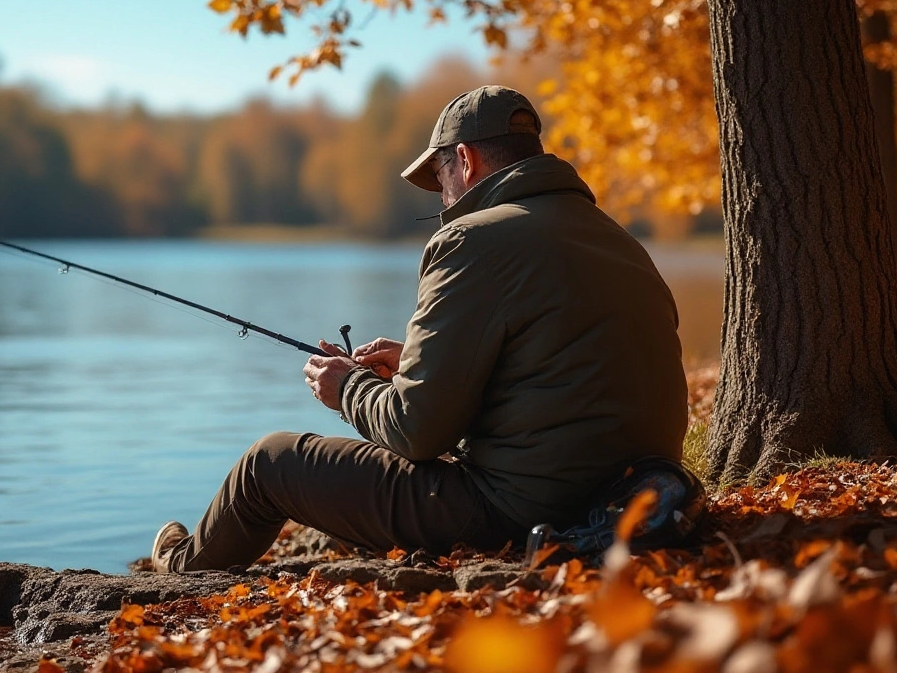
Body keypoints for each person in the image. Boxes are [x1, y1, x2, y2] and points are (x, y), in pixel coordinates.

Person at [150, 85, 689, 573]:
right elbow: (556, 364)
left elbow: (416, 432)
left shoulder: (472, 241)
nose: (440, 198)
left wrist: (349, 389)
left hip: (525, 511)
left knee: (269, 463)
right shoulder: (617, 239)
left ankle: (181, 565)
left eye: (439, 179)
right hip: (636, 491)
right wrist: (415, 361)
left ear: (466, 159)